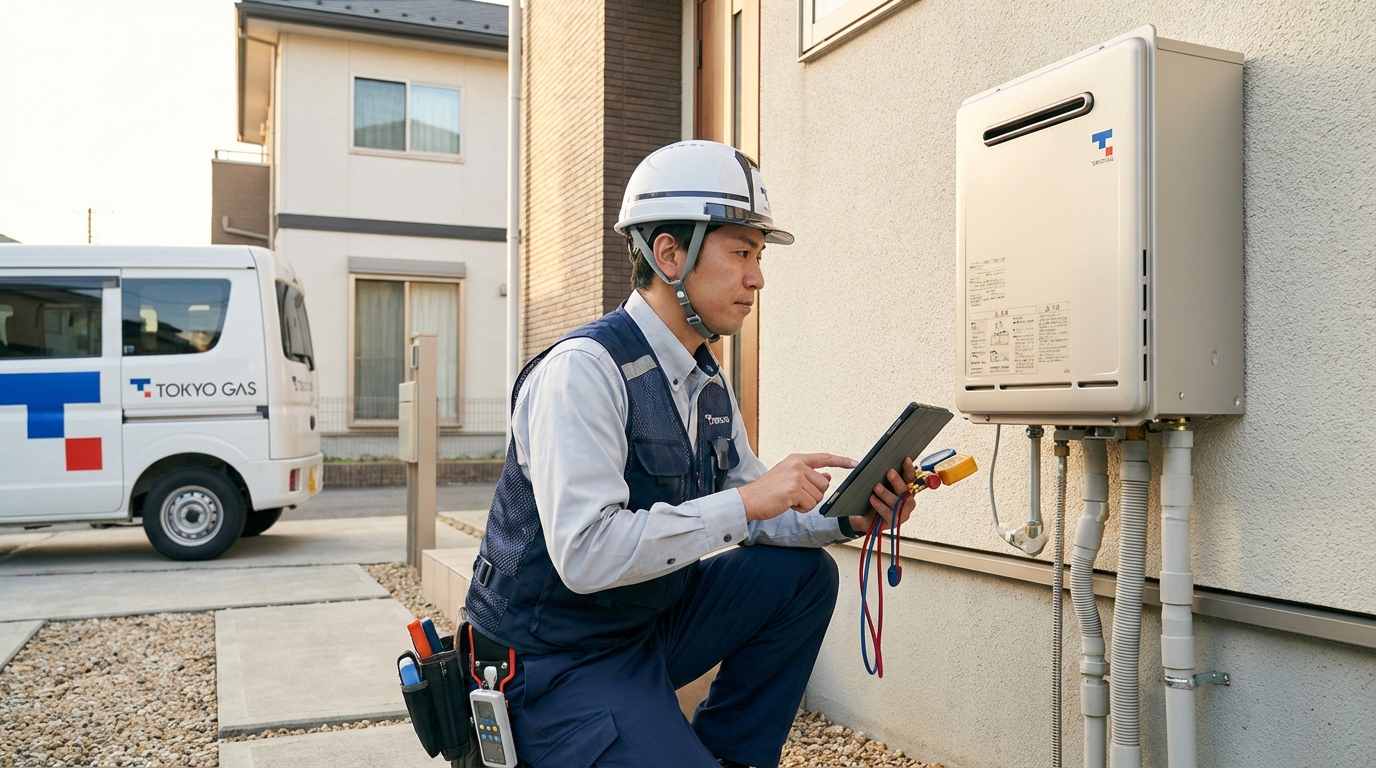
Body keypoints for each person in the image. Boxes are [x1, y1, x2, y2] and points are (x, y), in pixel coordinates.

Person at [464, 140, 917, 768]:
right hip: (553, 659)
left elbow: (757, 507)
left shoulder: (703, 378)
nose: (757, 277)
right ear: (669, 254)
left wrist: (848, 516)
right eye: (740, 253)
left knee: (802, 577)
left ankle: (728, 755)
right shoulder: (583, 371)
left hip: (643, 628)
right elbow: (586, 554)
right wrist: (747, 501)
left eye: (759, 256)